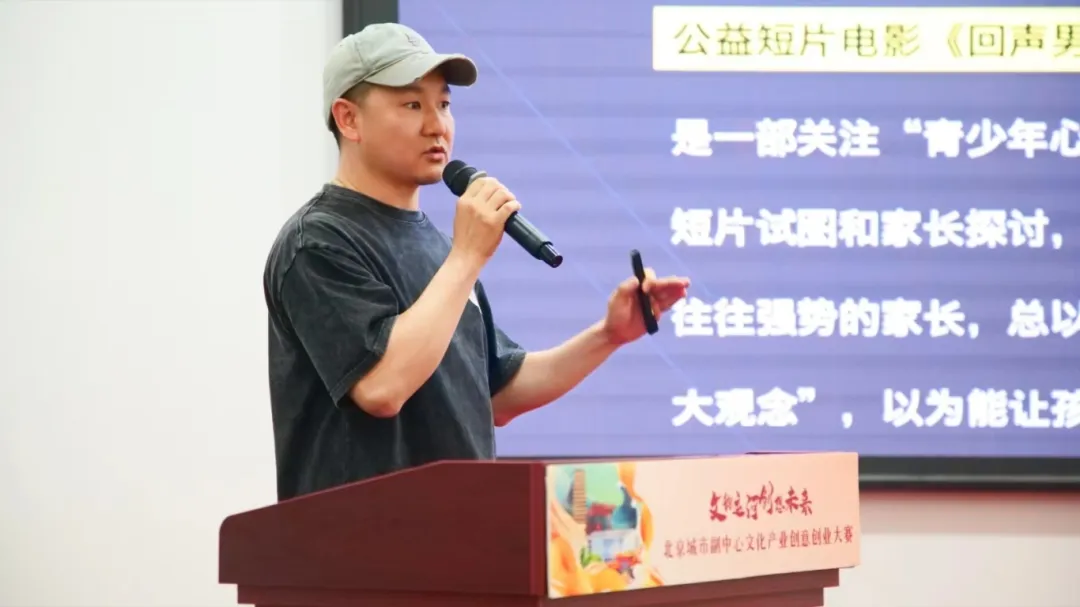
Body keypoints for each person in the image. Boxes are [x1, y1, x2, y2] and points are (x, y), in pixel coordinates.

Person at [262, 23, 691, 501]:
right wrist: (467, 257)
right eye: (412, 105)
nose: (437, 125)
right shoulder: (318, 241)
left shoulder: (442, 250)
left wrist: (609, 334)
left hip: (460, 530)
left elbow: (498, 393)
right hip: (362, 538)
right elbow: (381, 387)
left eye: (444, 104)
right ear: (349, 119)